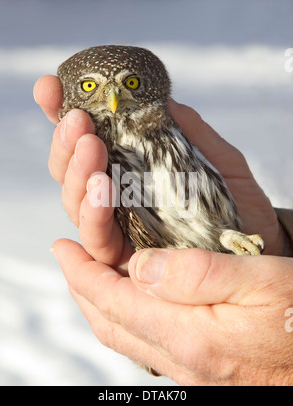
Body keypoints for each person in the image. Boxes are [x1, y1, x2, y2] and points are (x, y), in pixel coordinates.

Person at [34, 75, 293, 385]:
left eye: (130, 83)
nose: (113, 96)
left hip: (216, 229)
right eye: (90, 86)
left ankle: (223, 239)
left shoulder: (164, 122)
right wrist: (283, 243)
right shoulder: (99, 137)